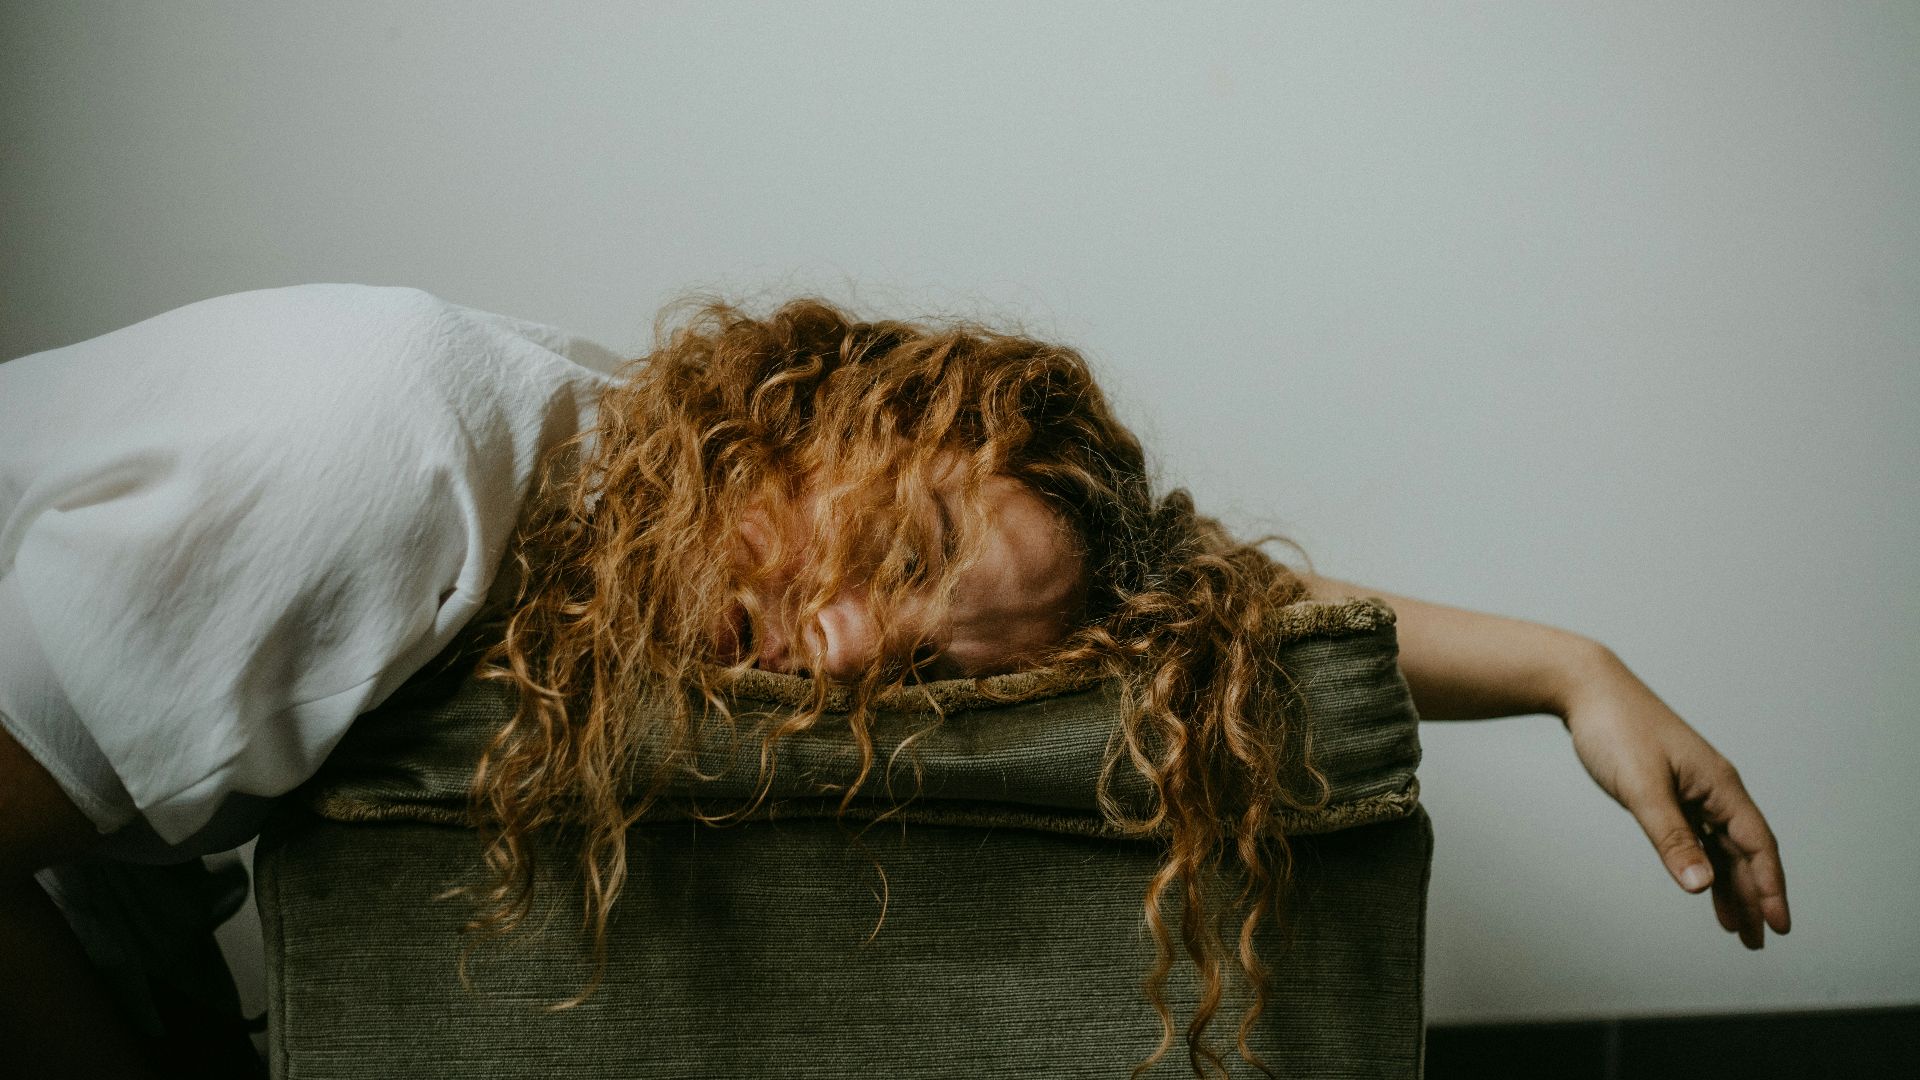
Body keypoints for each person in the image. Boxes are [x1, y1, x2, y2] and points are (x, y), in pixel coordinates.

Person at [0, 285, 1789, 1076]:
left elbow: (1208, 599)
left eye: (929, 660)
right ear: (821, 414)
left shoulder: (611, 478)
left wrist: (1573, 668)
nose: (851, 655)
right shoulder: (387, 462)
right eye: (906, 551)